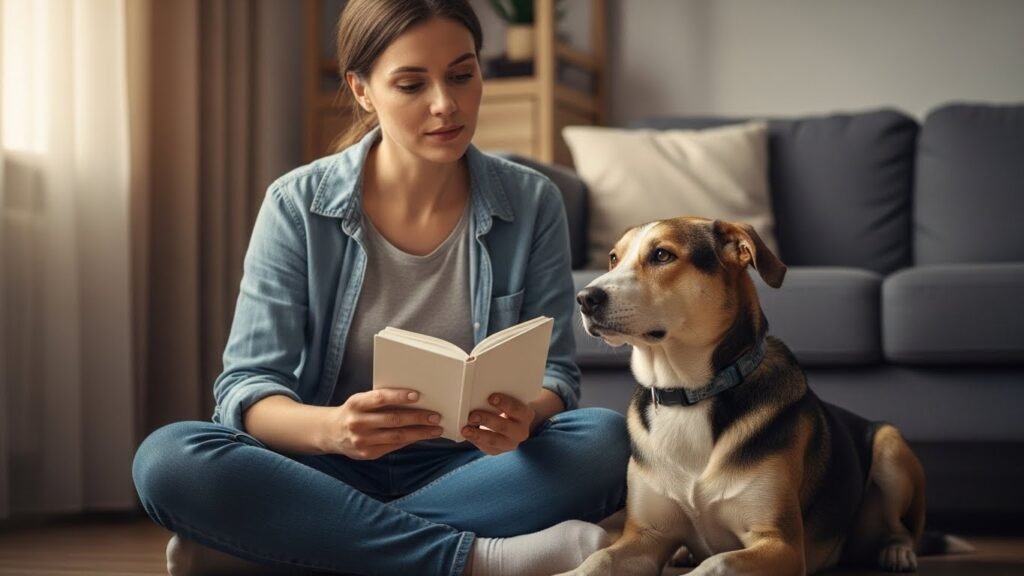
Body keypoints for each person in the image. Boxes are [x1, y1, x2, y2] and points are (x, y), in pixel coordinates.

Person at [132, 0, 629, 574]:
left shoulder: (532, 200)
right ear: (362, 89)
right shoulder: (297, 204)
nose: (445, 104)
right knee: (169, 459)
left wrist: (525, 415)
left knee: (604, 441)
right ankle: (476, 562)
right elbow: (247, 387)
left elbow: (556, 378)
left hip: (473, 468)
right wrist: (336, 429)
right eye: (412, 84)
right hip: (323, 464)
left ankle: (282, 546)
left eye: (462, 75)